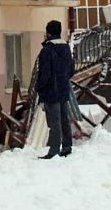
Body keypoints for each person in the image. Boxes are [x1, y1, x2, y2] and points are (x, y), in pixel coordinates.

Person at [35, 19, 74, 159]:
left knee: (54, 122)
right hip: (64, 90)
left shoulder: (47, 50)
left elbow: (44, 73)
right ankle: (67, 146)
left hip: (51, 91)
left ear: (48, 33)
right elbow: (71, 70)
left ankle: (54, 151)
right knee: (64, 119)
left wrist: (40, 89)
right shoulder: (66, 48)